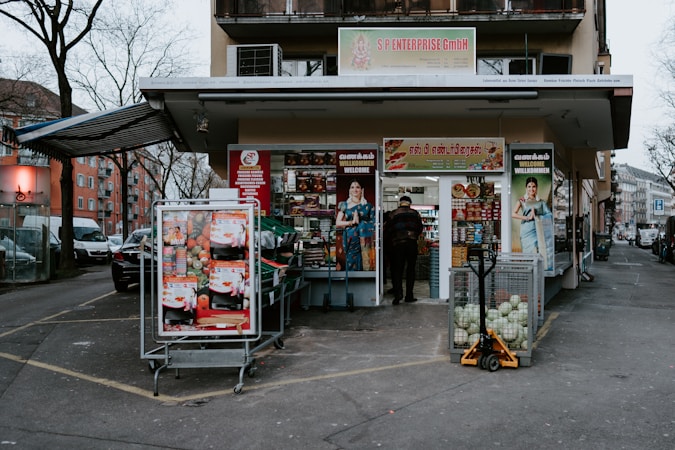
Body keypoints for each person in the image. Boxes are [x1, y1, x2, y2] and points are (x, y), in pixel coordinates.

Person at [385, 196, 423, 305]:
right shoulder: (415, 214)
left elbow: (388, 229)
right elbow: (420, 228)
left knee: (397, 270)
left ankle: (398, 295)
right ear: (409, 203)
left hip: (397, 244)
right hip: (411, 243)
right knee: (411, 269)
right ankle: (409, 295)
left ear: (400, 203)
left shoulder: (393, 214)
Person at [336, 178, 375, 271]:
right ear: (349, 190)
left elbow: (374, 222)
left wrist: (362, 224)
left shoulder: (368, 206)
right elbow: (337, 223)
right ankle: (351, 282)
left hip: (365, 238)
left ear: (362, 190)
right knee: (351, 259)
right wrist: (351, 222)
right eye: (352, 187)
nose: (355, 189)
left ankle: (364, 282)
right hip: (350, 238)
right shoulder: (344, 205)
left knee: (364, 259)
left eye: (357, 187)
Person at [512, 176, 553, 264]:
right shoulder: (522, 201)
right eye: (529, 186)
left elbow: (549, 215)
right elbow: (513, 214)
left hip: (538, 228)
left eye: (533, 186)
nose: (531, 189)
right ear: (526, 188)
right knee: (527, 251)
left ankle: (539, 271)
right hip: (526, 230)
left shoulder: (541, 202)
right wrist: (527, 217)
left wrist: (537, 215)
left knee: (539, 250)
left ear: (536, 187)